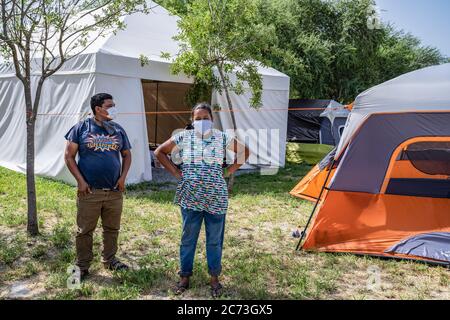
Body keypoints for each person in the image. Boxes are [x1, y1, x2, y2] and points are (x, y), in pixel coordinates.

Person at [155, 102, 250, 297]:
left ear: (212, 120)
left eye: (205, 118)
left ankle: (214, 277)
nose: (202, 122)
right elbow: (159, 152)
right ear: (192, 120)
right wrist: (176, 173)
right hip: (190, 196)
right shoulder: (183, 136)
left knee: (214, 240)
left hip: (216, 197)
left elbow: (244, 151)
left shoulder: (221, 137)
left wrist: (228, 170)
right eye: (198, 119)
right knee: (188, 238)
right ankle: (184, 276)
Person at [64, 93, 132, 280]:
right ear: (98, 109)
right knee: (84, 230)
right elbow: (69, 156)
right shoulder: (81, 128)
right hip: (89, 191)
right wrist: (80, 181)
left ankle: (110, 260)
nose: (114, 108)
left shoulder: (117, 129)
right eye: (110, 105)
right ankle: (82, 266)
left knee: (112, 228)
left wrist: (123, 178)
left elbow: (127, 155)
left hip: (114, 191)